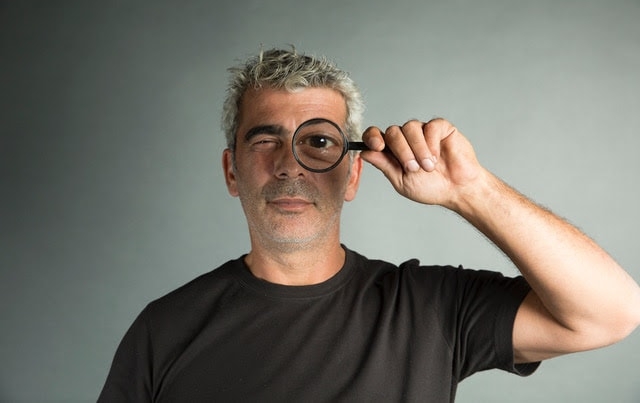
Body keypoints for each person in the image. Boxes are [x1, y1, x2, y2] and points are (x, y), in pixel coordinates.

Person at [98, 47, 640, 402]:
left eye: (318, 142)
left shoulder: (428, 308)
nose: (289, 166)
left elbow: (610, 314)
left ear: (353, 173)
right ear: (231, 171)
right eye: (265, 140)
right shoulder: (165, 329)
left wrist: (469, 190)